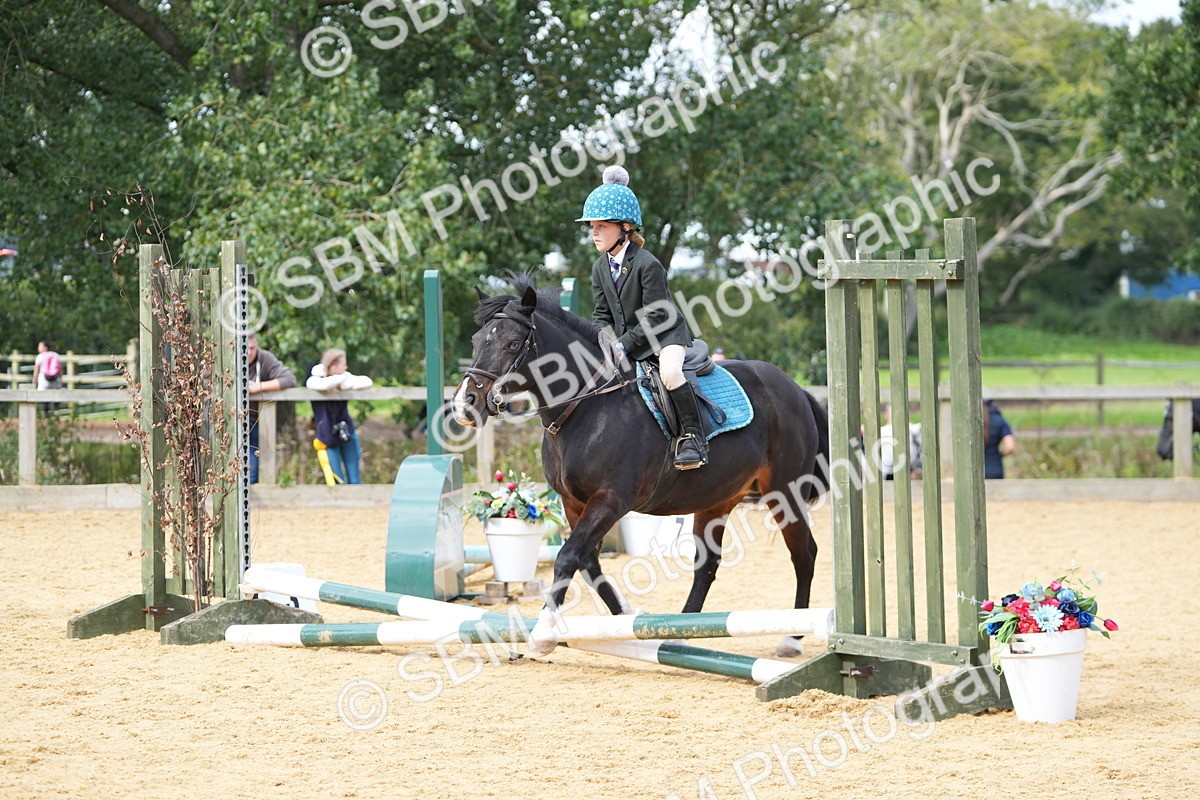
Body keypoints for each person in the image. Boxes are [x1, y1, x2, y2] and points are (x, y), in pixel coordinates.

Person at [582, 165, 705, 470]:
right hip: (630, 340)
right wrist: (605, 341)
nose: (594, 232)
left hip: (665, 336)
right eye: (592, 226)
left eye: (601, 226)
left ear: (624, 228)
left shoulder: (648, 265)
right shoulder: (600, 267)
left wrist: (622, 344)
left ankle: (692, 438)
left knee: (671, 375)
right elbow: (601, 313)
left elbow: (657, 317)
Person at [306, 348, 372, 485]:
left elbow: (367, 381)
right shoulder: (315, 379)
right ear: (334, 366)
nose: (346, 367)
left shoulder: (345, 377)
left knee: (355, 480)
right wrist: (339, 380)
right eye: (344, 364)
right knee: (336, 481)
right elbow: (319, 385)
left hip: (346, 431)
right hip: (327, 436)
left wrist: (343, 380)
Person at [247, 333, 296, 484]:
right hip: (228, 422)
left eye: (252, 348)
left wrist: (258, 387)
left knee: (252, 470)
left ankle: (249, 505)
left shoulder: (264, 358)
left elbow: (289, 379)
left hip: (253, 421)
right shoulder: (227, 357)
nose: (249, 352)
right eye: (245, 349)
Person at [879, 402, 923, 480]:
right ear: (886, 415)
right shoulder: (881, 431)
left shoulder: (911, 429)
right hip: (886, 472)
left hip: (908, 469)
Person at [984, 399, 1016, 479]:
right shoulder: (999, 420)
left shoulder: (972, 421)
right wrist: (1000, 455)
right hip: (995, 470)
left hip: (975, 471)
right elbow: (1010, 447)